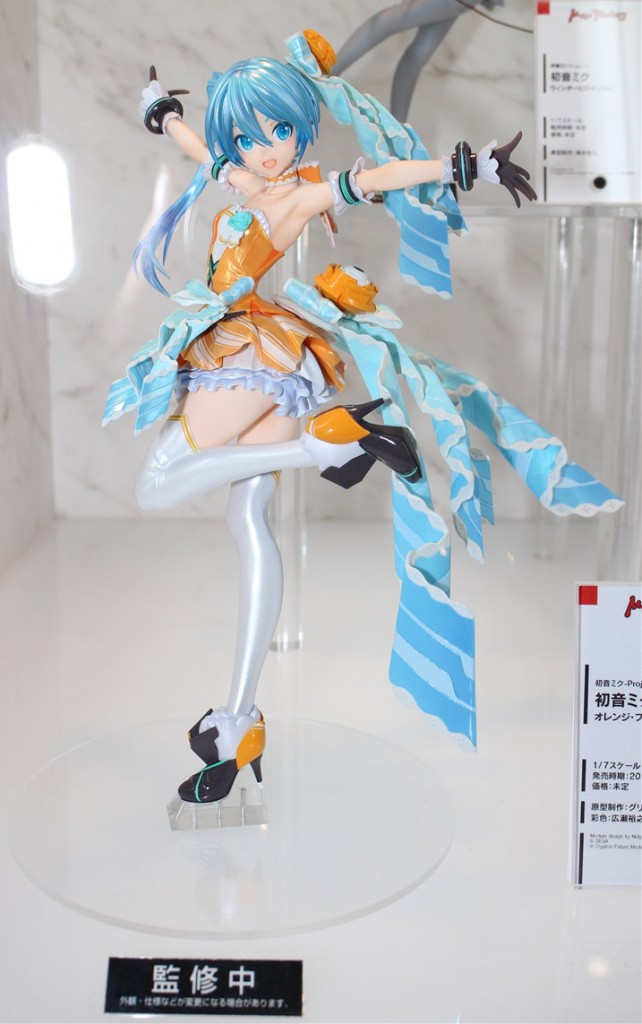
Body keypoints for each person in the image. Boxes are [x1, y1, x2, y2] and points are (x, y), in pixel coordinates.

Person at [104, 30, 616, 804]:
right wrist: (161, 112)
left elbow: (374, 177)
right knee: (249, 522)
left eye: (280, 129)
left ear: (300, 129)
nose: (266, 148)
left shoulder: (299, 195)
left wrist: (463, 166)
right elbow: (200, 150)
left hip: (247, 354)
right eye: (250, 135)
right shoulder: (241, 178)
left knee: (155, 486)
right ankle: (239, 719)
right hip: (266, 352)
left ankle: (323, 445)